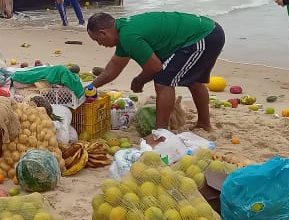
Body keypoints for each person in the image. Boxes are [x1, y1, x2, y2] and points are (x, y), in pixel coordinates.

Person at [86, 12, 225, 138]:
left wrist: (140, 80)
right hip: (210, 31)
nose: (99, 44)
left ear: (103, 33)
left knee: (163, 81)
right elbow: (114, 66)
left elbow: (154, 67)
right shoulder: (123, 31)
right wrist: (91, 86)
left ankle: (160, 134)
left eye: (97, 39)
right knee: (194, 81)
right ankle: (204, 124)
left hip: (203, 36)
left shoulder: (128, 36)